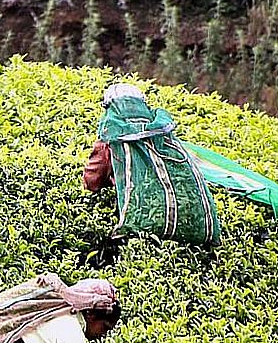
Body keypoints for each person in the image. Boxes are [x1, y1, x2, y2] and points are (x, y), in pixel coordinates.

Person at [83, 83, 221, 245]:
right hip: (188, 218)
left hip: (146, 225)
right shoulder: (163, 134)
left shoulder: (110, 141)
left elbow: (91, 182)